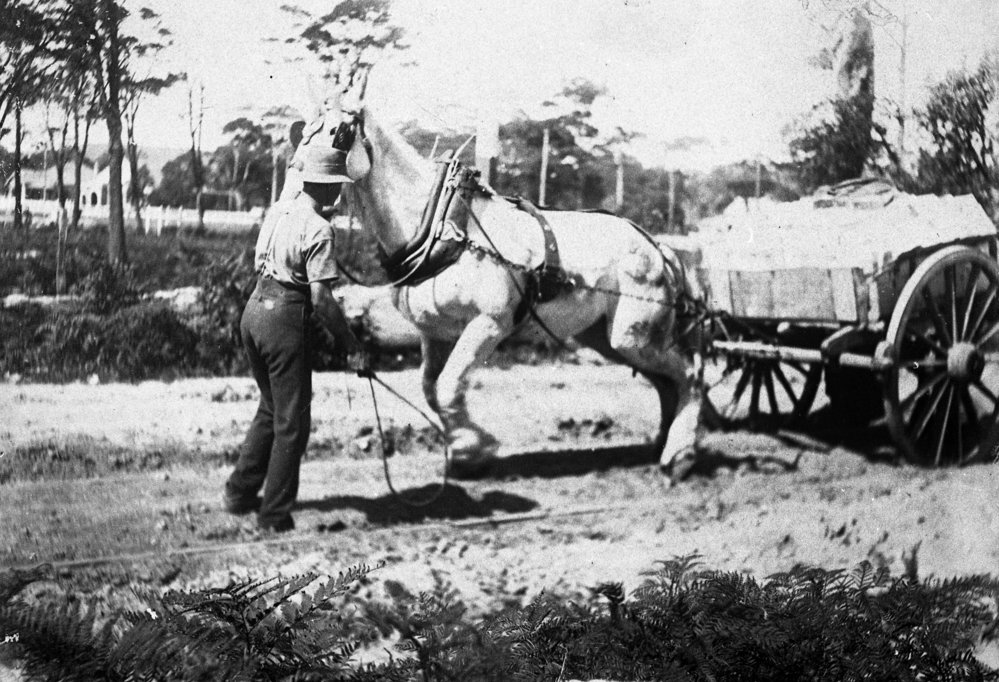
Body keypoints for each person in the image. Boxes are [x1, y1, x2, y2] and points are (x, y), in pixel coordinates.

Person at [223, 122, 369, 533]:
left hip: (253, 311)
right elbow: (321, 300)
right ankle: (273, 514)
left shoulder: (278, 210)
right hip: (284, 319)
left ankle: (239, 493)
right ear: (330, 186)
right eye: (337, 186)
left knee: (271, 407)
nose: (338, 194)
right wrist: (352, 346)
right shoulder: (320, 229)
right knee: (292, 423)